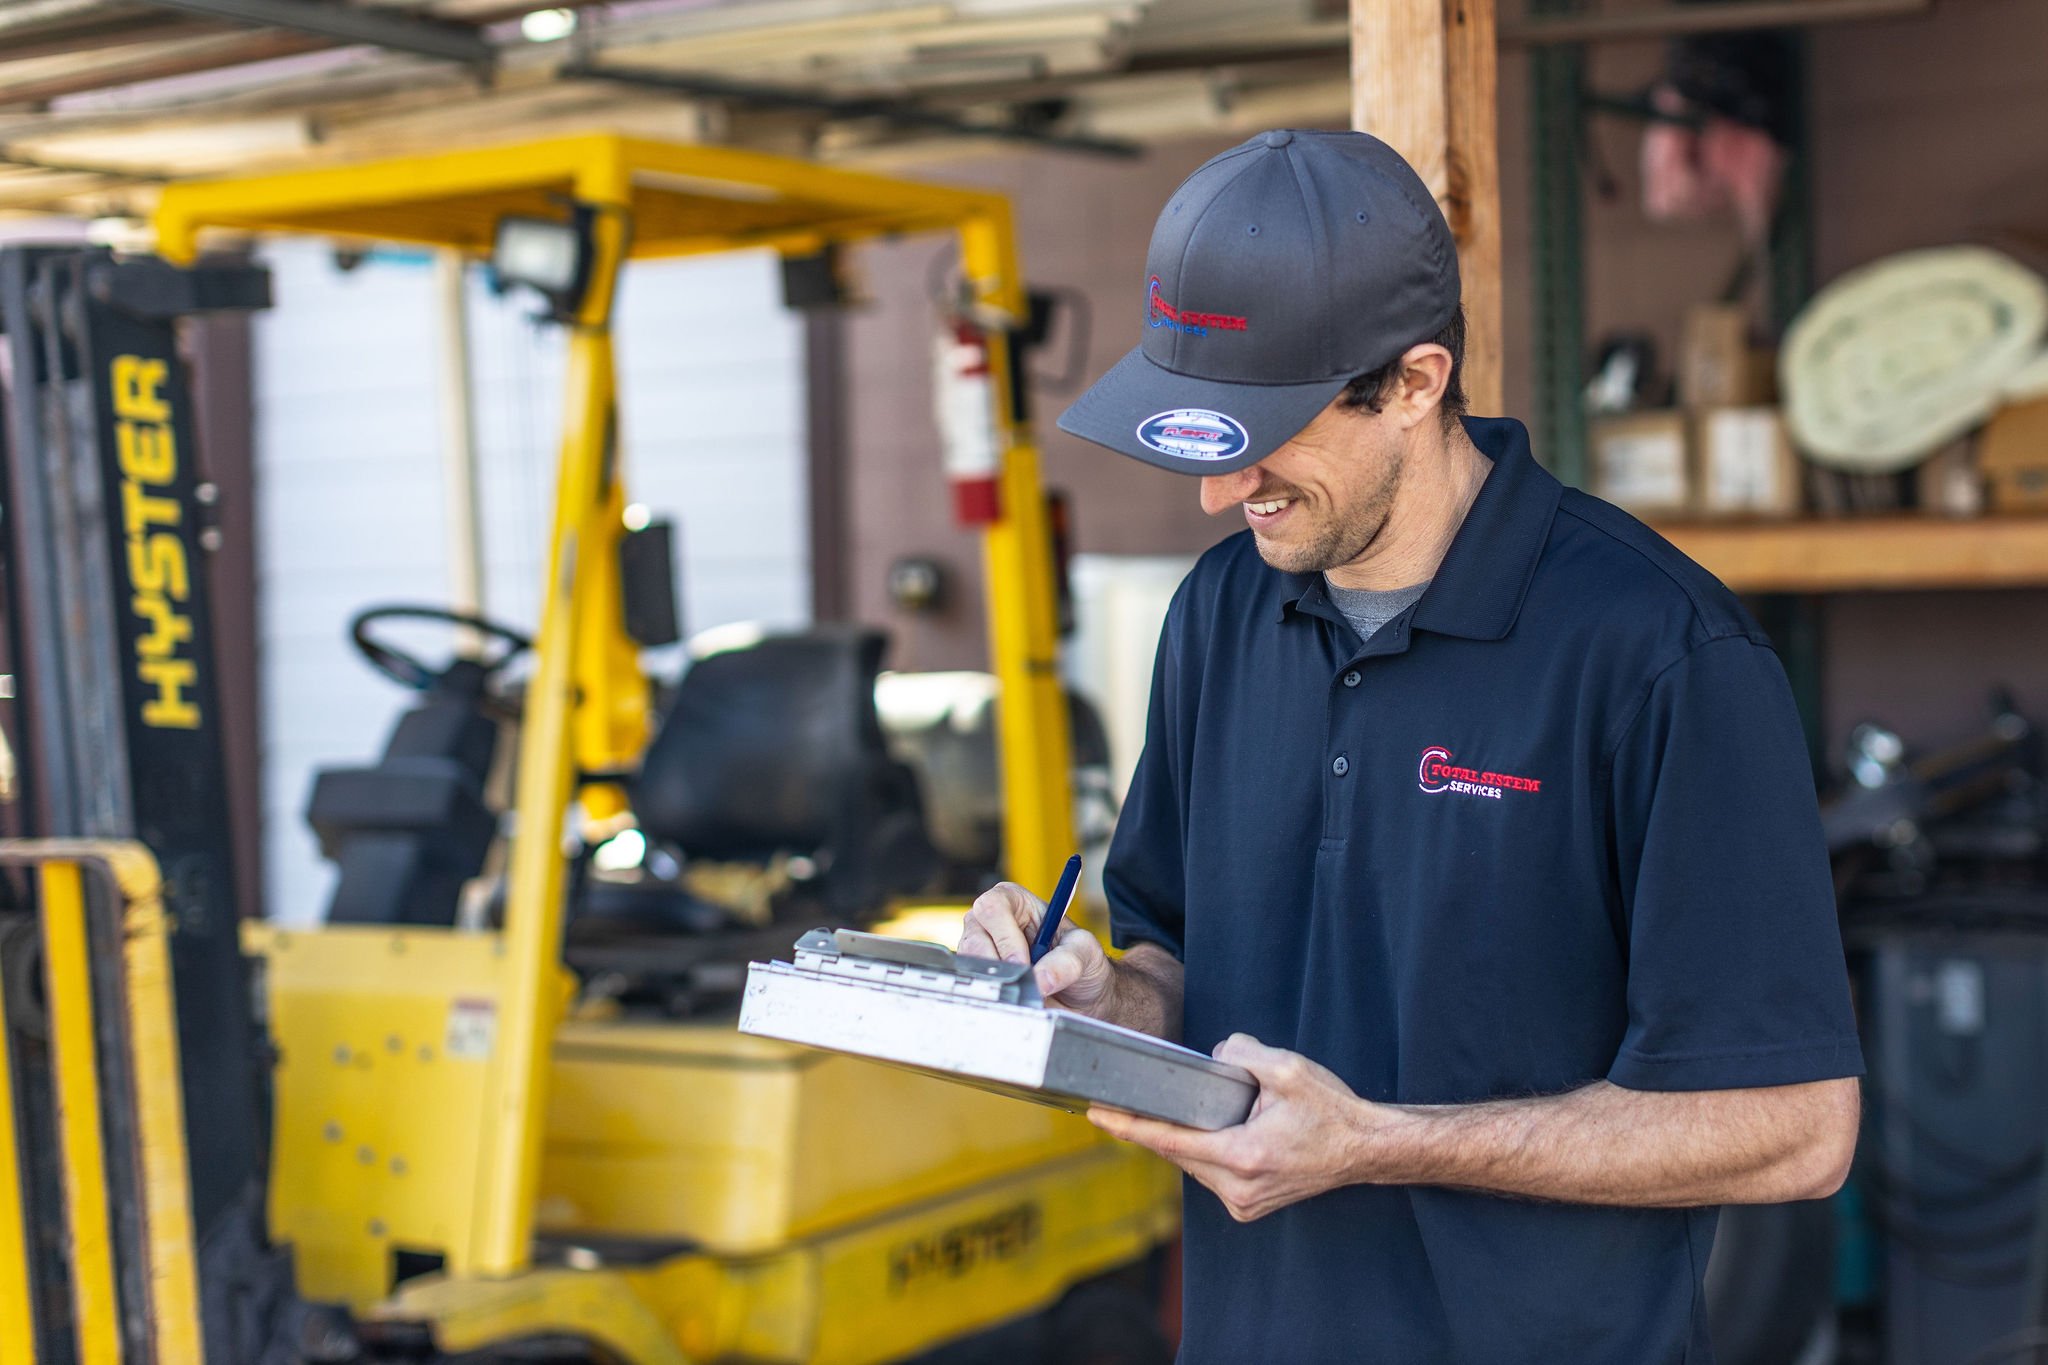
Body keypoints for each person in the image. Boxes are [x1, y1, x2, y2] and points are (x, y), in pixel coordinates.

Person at [959, 129, 1863, 1364]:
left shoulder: (1659, 655)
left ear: (1415, 380)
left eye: (1260, 436)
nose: (1224, 494)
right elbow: (1176, 968)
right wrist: (1089, 996)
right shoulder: (1219, 614)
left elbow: (1795, 1128)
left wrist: (1378, 1142)